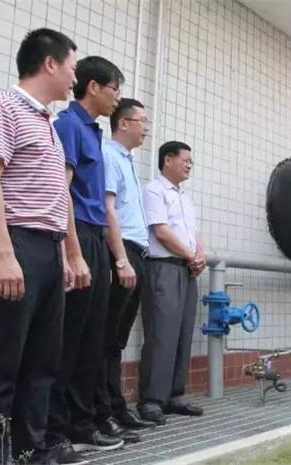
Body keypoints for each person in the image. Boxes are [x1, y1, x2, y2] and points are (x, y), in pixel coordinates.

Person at [0, 28, 77, 464]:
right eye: (71, 68)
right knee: (3, 363)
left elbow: (56, 197)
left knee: (41, 362)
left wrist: (65, 253)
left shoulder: (49, 123)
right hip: (16, 244)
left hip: (47, 250)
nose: (74, 78)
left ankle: (31, 452)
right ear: (50, 63)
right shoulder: (1, 107)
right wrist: (4, 254)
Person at [49, 56, 128, 453]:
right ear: (93, 86)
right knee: (69, 339)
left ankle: (82, 423)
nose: (118, 97)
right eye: (114, 88)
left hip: (95, 239)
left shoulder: (92, 131)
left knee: (91, 339)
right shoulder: (68, 125)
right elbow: (61, 190)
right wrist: (73, 251)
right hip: (76, 235)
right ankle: (56, 429)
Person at [94, 98, 156, 431]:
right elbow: (108, 210)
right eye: (141, 121)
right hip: (122, 253)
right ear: (123, 123)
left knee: (117, 339)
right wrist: (120, 260)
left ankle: (116, 407)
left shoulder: (126, 160)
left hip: (137, 254)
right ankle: (102, 412)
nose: (146, 127)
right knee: (106, 337)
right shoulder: (108, 154)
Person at [137, 141, 206, 425]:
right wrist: (191, 255)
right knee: (161, 333)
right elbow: (161, 232)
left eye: (191, 161)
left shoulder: (185, 198)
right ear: (168, 160)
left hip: (186, 270)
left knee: (182, 333)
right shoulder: (154, 190)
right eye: (185, 160)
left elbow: (194, 233)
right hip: (163, 267)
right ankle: (151, 400)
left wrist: (199, 255)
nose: (189, 165)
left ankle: (175, 395)